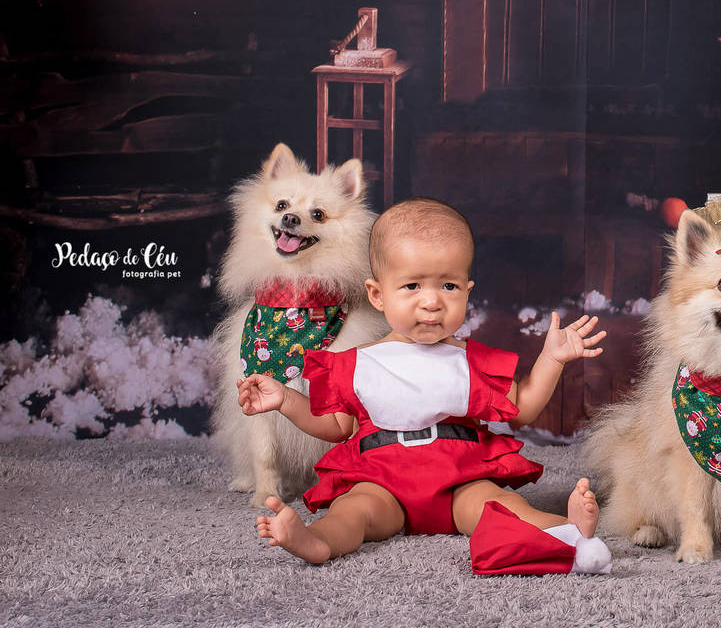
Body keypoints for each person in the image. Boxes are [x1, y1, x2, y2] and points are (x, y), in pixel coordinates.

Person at [237, 197, 610, 573]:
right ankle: (319, 541)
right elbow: (333, 427)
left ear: (467, 291)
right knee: (352, 511)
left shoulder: (471, 361)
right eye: (412, 286)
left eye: (448, 286)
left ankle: (566, 533)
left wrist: (552, 359)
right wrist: (285, 398)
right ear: (378, 295)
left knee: (499, 508)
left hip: (459, 479)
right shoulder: (358, 362)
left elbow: (524, 406)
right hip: (382, 479)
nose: (431, 301)